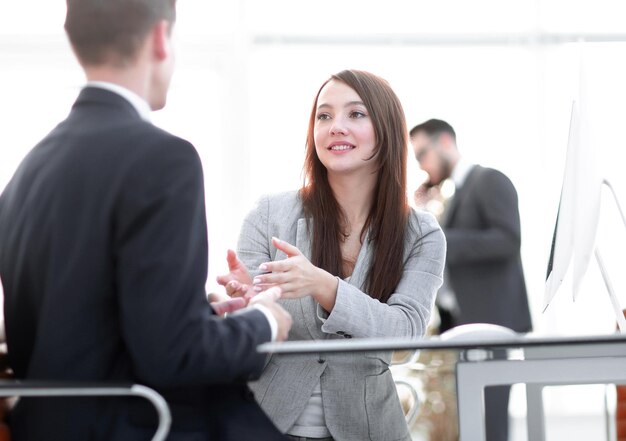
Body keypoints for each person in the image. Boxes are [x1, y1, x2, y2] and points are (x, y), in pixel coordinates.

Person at [0, 1, 292, 440]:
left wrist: (199, 312)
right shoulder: (164, 159)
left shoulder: (28, 171)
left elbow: (79, 321)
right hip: (142, 426)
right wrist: (267, 320)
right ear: (160, 38)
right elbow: (175, 354)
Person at [217, 69, 446, 441]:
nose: (335, 126)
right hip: (265, 424)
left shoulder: (421, 234)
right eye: (324, 116)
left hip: (368, 428)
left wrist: (326, 286)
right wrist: (249, 308)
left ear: (386, 129)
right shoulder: (270, 214)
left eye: (355, 114)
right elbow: (252, 336)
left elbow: (405, 331)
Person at [410, 118, 532, 441]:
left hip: (491, 322)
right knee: (470, 421)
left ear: (446, 143)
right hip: (460, 323)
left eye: (423, 153)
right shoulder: (452, 193)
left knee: (491, 422)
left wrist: (438, 238)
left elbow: (508, 239)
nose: (422, 165)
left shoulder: (489, 180)